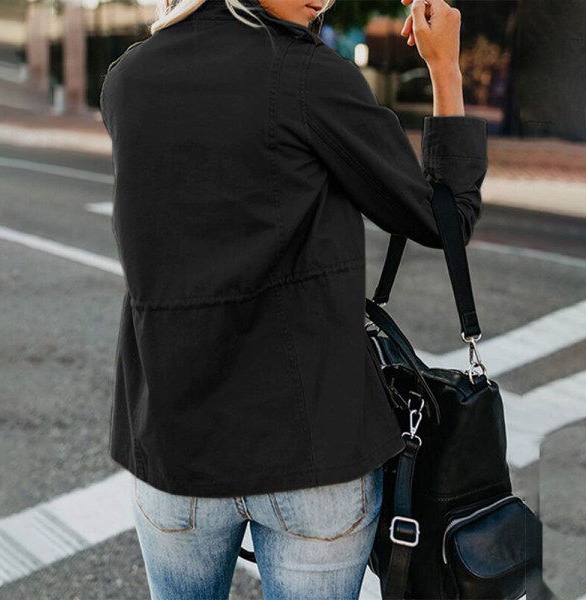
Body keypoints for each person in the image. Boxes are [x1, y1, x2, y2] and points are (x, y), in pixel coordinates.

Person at [99, 0, 488, 597]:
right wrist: (445, 70)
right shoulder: (310, 76)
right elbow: (445, 220)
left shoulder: (127, 80)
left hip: (175, 443)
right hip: (313, 451)